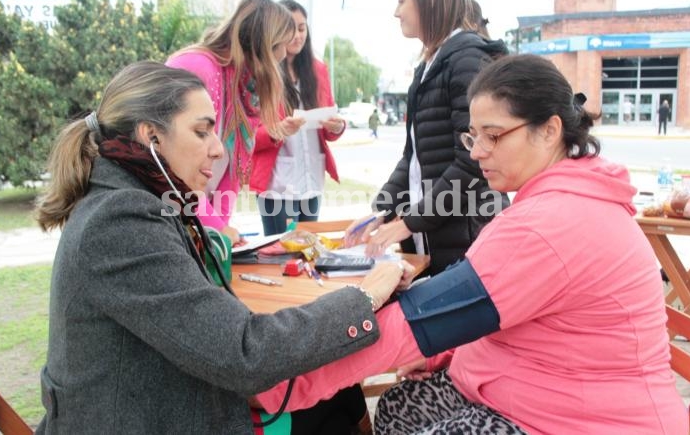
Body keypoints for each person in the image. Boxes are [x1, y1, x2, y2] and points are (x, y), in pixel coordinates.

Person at [256, 54, 688, 434]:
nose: (478, 151)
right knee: (397, 407)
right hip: (540, 391)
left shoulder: (550, 224)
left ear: (549, 130)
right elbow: (501, 312)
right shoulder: (561, 203)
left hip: (585, 419)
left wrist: (278, 386)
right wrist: (441, 352)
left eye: (493, 135)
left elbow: (413, 325)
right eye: (472, 135)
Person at [32, 61, 410, 434]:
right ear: (151, 137)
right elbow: (243, 352)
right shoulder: (120, 219)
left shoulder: (133, 198)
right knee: (335, 410)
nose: (217, 150)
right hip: (140, 418)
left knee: (336, 397)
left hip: (153, 402)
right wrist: (364, 296)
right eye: (202, 133)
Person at [344, 0, 509, 275]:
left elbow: (473, 162)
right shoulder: (430, 66)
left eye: (401, 0)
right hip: (437, 238)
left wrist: (407, 223)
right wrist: (380, 212)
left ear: (429, 1)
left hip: (467, 240)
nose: (396, 12)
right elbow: (414, 158)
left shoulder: (466, 60)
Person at [166, 0, 295, 245]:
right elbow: (175, 168)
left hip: (198, 220)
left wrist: (220, 230)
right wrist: (214, 227)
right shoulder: (196, 67)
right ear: (265, 44)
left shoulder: (247, 88)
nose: (284, 55)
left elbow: (233, 170)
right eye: (282, 45)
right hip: (168, 215)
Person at [250, 0, 346, 237]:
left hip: (311, 177)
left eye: (302, 28)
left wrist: (336, 126)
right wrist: (279, 130)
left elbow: (328, 127)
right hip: (277, 183)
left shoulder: (318, 69)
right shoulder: (261, 71)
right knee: (278, 248)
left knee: (306, 247)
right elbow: (249, 135)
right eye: (290, 29)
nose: (297, 35)